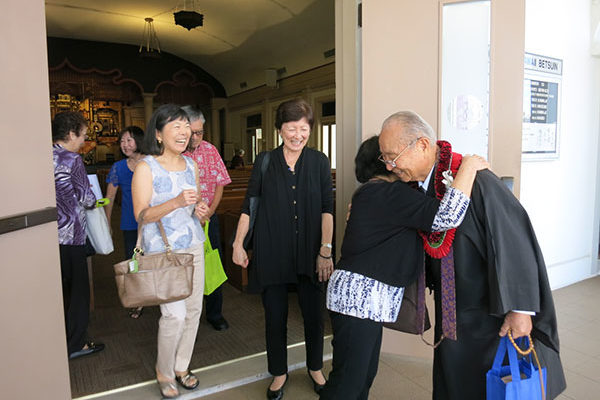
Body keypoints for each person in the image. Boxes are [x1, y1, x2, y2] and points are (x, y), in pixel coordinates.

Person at [378, 111, 566, 400]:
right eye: (385, 158)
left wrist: (519, 310)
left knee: (488, 383)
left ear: (423, 145)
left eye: (394, 156)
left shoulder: (478, 182)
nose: (391, 165)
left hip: (488, 313)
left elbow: (514, 243)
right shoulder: (418, 188)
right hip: (452, 311)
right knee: (453, 380)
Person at [320, 137, 487, 400]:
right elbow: (446, 216)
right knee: (347, 383)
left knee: (362, 376)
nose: (396, 162)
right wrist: (467, 168)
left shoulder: (373, 193)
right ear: (385, 164)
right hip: (357, 302)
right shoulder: (387, 194)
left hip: (362, 303)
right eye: (390, 156)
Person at [232, 98, 333, 400]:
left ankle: (315, 367)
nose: (298, 135)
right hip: (272, 251)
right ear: (279, 131)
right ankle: (279, 372)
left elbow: (327, 208)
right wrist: (238, 243)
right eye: (291, 128)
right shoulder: (265, 161)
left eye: (304, 129)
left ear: (310, 130)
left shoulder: (318, 161)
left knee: (313, 315)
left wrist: (325, 249)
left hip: (310, 252)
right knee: (274, 317)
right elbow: (249, 206)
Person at [131, 104, 210, 399]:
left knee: (193, 311)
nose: (184, 131)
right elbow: (141, 215)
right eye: (176, 126)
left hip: (192, 246)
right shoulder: (146, 167)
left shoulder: (192, 165)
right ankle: (163, 372)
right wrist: (176, 202)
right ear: (159, 134)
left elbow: (195, 208)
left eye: (185, 126)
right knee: (174, 316)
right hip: (162, 251)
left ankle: (181, 366)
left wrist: (199, 210)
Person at [52, 111, 105, 359]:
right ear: (71, 133)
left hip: (49, 236)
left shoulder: (45, 156)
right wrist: (97, 201)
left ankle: (56, 338)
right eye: (83, 134)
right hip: (72, 235)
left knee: (58, 289)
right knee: (78, 292)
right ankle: (76, 344)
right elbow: (86, 198)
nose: (84, 140)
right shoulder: (73, 160)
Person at [182, 105, 231, 331]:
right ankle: (184, 316)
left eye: (200, 132)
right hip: (181, 222)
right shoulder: (173, 153)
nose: (195, 137)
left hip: (209, 219)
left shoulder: (210, 150)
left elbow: (220, 183)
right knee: (184, 267)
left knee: (212, 263)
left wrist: (210, 211)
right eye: (192, 132)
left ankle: (214, 313)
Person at [104, 126, 145, 319]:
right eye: (122, 141)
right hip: (130, 222)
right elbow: (109, 198)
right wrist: (107, 223)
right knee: (133, 262)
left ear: (139, 140)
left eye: (129, 140)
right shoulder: (118, 167)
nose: (125, 145)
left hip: (153, 221)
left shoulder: (152, 163)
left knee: (156, 258)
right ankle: (137, 301)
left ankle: (159, 292)